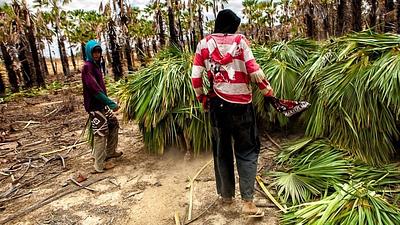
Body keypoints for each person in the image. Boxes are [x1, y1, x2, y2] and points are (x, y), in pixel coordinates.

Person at [191, 9, 274, 217]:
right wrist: (268, 91)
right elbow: (254, 70)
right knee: (246, 150)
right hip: (242, 106)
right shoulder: (241, 41)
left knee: (222, 150)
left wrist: (202, 98)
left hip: (217, 104)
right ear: (233, 25)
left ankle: (226, 195)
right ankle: (248, 202)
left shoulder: (203, 44)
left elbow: (196, 78)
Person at [81, 40, 123, 173]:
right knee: (100, 134)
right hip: (95, 107)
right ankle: (99, 165)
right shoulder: (87, 67)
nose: (97, 54)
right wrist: (110, 103)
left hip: (102, 106)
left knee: (113, 124)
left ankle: (110, 152)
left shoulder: (96, 66)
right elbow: (95, 90)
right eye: (94, 52)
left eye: (98, 51)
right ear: (89, 52)